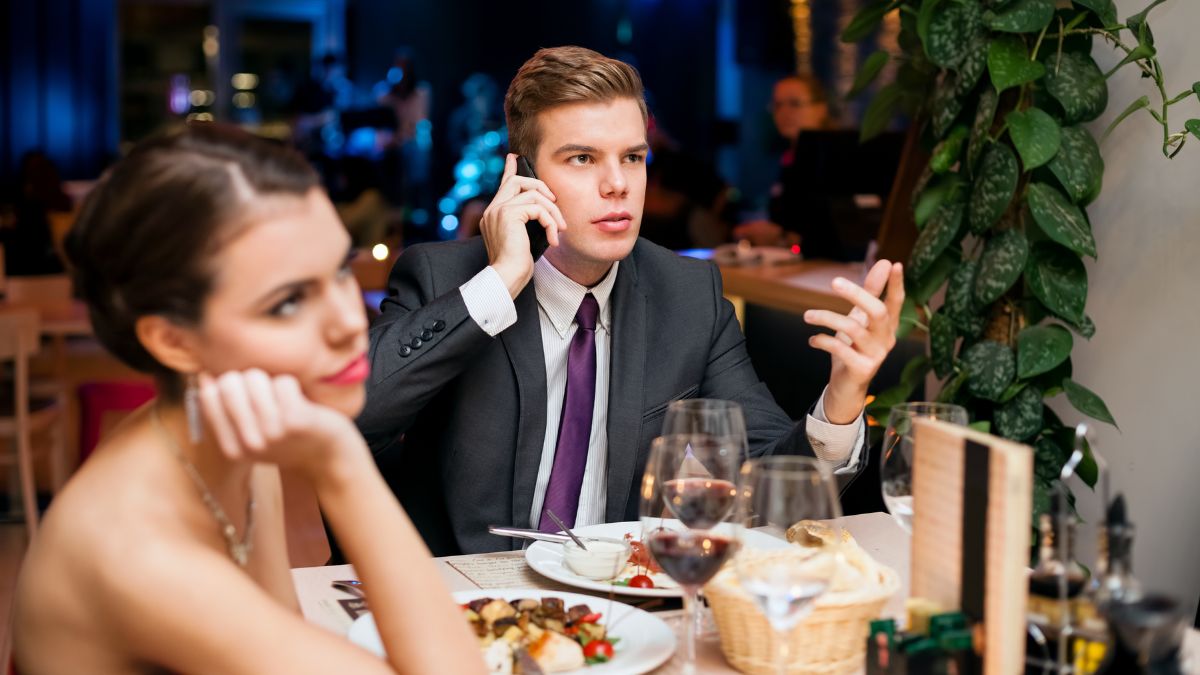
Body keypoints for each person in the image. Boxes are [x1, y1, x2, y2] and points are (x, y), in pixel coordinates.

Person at [357, 47, 904, 556]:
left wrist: (842, 399)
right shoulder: (446, 278)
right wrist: (499, 281)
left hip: (623, 613)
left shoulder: (689, 295)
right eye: (581, 159)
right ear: (523, 175)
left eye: (633, 157)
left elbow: (762, 474)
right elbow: (355, 417)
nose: (617, 183)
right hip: (464, 610)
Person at [12, 124, 485, 674]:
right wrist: (343, 467)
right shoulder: (136, 554)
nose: (348, 320)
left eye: (338, 270)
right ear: (173, 340)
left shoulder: (229, 437)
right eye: (286, 302)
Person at [735, 74, 903, 261]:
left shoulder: (842, 159)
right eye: (778, 105)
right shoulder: (789, 159)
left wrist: (782, 238)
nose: (784, 112)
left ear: (821, 108)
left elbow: (845, 235)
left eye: (794, 103)